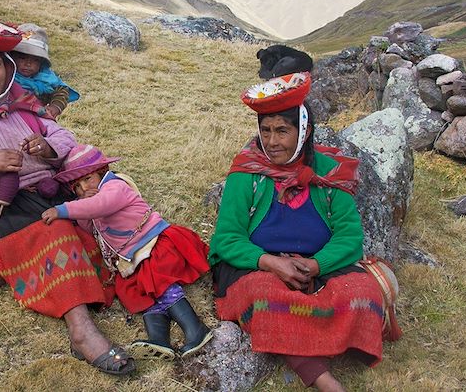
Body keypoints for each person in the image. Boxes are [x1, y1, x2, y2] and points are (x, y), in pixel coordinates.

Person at [0, 40, 135, 376]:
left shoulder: (21, 102)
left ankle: (4, 268)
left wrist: (47, 147)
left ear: (9, 67)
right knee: (56, 231)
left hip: (47, 190)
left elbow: (64, 138)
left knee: (101, 212)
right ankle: (81, 331)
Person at [208, 69, 388, 391]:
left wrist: (315, 265)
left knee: (363, 294)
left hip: (317, 267)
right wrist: (272, 263)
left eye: (282, 130)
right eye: (265, 130)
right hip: (260, 267)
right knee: (266, 298)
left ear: (302, 131)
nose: (272, 141)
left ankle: (298, 334)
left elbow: (350, 236)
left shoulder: (330, 172)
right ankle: (322, 378)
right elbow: (226, 239)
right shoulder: (245, 172)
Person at [41, 144, 212, 360]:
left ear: (102, 173)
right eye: (76, 186)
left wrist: (63, 210)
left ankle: (195, 329)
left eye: (88, 179)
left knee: (160, 284)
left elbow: (101, 205)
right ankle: (159, 339)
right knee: (141, 294)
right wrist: (82, 206)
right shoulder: (90, 202)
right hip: (131, 257)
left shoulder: (115, 186)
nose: (83, 188)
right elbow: (90, 225)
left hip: (154, 244)